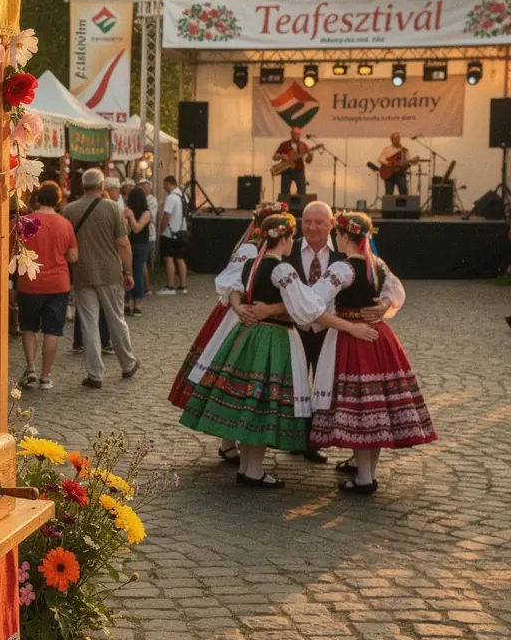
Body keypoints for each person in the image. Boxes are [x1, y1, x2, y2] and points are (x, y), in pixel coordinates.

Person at [179, 214, 379, 489]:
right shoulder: (283, 270)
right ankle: (253, 470)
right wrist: (348, 325)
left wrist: (246, 309)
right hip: (275, 339)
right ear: (284, 239)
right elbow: (308, 306)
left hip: (248, 336)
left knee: (252, 402)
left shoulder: (252, 263)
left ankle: (249, 469)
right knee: (263, 405)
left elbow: (234, 290)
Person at [309, 212, 436, 494]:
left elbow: (313, 300)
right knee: (373, 407)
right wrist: (384, 304)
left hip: (352, 339)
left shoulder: (343, 268)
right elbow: (396, 290)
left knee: (360, 408)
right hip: (378, 337)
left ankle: (365, 478)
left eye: (337, 235)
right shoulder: (376, 264)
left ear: (343, 236)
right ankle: (367, 473)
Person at [169, 201, 288, 465]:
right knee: (230, 375)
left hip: (250, 313)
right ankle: (228, 442)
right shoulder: (250, 248)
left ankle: (230, 442)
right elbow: (230, 281)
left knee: (236, 378)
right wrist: (239, 306)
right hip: (238, 316)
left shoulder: (264, 249)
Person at [63, 167, 140, 389]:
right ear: (101, 186)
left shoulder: (69, 210)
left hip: (83, 273)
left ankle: (95, 374)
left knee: (89, 324)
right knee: (116, 319)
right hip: (109, 273)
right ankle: (127, 363)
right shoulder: (113, 208)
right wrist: (128, 271)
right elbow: (123, 243)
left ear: (83, 186)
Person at [285, 200, 346, 463]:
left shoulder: (343, 254)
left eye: (319, 222)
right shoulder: (288, 251)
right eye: (307, 222)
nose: (312, 227)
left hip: (328, 331)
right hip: (293, 329)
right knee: (294, 385)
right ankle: (293, 438)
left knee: (323, 386)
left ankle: (315, 441)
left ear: (331, 224)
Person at [16, 182, 78, 390]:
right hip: (58, 283)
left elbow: (15, 249)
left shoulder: (26, 222)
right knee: (52, 331)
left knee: (29, 327)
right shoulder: (65, 224)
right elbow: (73, 256)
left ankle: (31, 367)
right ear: (58, 201)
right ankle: (45, 376)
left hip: (30, 282)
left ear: (37, 198)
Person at [157, 175, 189, 295]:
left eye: (164, 185)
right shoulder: (184, 196)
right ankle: (183, 286)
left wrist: (161, 229)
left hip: (170, 233)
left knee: (168, 258)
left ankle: (170, 287)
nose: (164, 188)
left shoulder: (171, 197)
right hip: (182, 231)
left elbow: (167, 216)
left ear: (169, 183)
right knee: (180, 258)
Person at [123, 184, 152, 314]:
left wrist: (131, 217)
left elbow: (137, 228)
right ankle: (128, 301)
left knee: (138, 272)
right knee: (127, 272)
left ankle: (138, 302)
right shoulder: (127, 211)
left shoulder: (146, 213)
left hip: (140, 244)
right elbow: (127, 230)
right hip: (129, 244)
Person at [274, 126, 314, 197]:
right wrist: (282, 156)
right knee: (284, 193)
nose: (298, 136)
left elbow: (308, 161)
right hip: (286, 171)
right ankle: (285, 207)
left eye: (299, 134)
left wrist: (310, 155)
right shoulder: (284, 144)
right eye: (296, 134)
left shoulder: (303, 145)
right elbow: (275, 157)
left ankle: (301, 207)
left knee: (302, 192)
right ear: (291, 134)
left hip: (299, 171)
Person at [141, 179, 159, 293]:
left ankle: (147, 287)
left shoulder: (152, 200)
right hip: (143, 232)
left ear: (149, 188)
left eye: (144, 187)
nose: (142, 189)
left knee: (143, 261)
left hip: (148, 233)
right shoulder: (142, 199)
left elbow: (150, 216)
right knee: (142, 261)